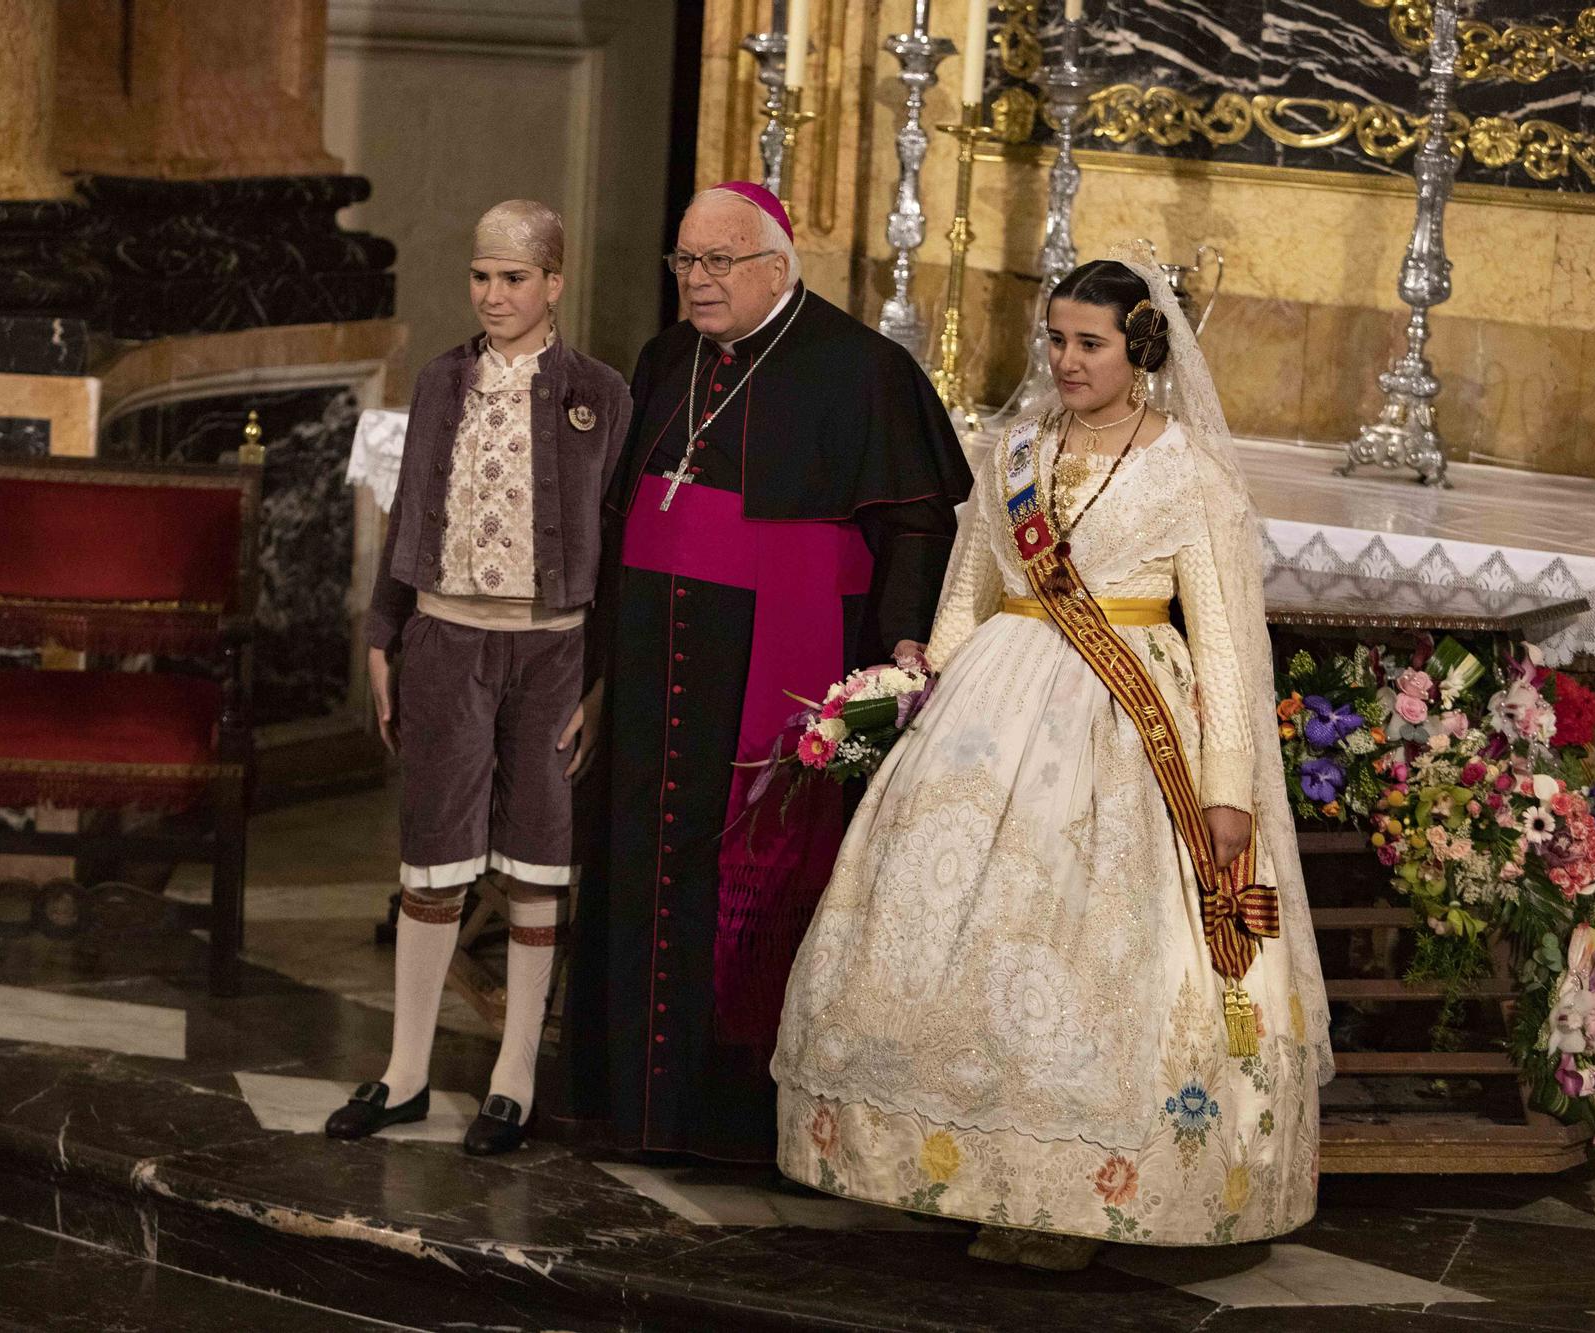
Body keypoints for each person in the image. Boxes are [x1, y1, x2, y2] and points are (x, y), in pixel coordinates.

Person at [772, 259, 1333, 1266]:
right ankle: (963, 1171)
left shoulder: (1187, 472)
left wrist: (1226, 790)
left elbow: (1225, 645)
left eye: (1090, 343)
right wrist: (911, 695)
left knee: (1097, 961)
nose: (1066, 361)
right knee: (954, 938)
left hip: (1128, 731)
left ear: (1140, 351)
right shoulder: (1011, 452)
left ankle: (1074, 1195)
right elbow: (964, 595)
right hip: (992, 710)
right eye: (1056, 340)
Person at [558, 183, 972, 1163]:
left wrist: (896, 663)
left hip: (793, 681)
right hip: (656, 667)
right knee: (637, 860)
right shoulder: (669, 356)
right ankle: (628, 1101)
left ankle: (739, 1119)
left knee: (769, 872)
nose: (695, 283)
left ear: (774, 267)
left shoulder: (863, 370)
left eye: (715, 263)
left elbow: (917, 523)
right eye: (684, 263)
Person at [325, 200, 631, 1155]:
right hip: (446, 645)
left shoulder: (599, 394)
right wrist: (386, 634)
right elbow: (409, 515)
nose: (493, 295)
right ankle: (406, 1069)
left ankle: (514, 1074)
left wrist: (602, 677)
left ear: (553, 282)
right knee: (433, 857)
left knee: (538, 857)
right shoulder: (441, 381)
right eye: (480, 276)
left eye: (513, 277)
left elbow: (620, 545)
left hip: (554, 652)